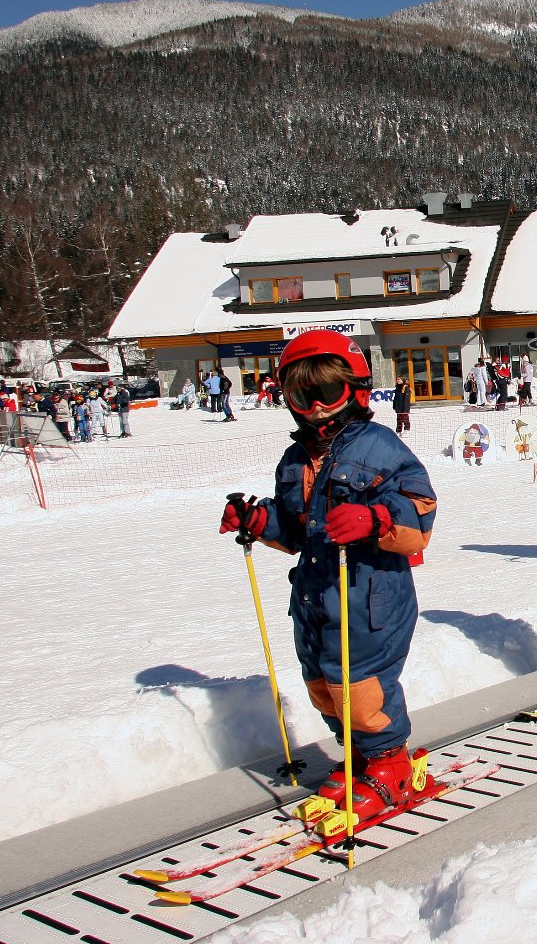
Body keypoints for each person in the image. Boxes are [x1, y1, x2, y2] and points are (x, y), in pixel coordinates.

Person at [218, 329, 438, 817]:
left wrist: (376, 518)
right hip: (317, 595)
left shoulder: (381, 447)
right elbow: (297, 528)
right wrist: (258, 521)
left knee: (359, 688)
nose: (316, 406)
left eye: (328, 392)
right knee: (322, 683)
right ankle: (358, 755)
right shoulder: (296, 459)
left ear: (356, 390)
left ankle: (390, 765)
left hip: (370, 597)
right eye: (303, 395)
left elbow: (420, 514)